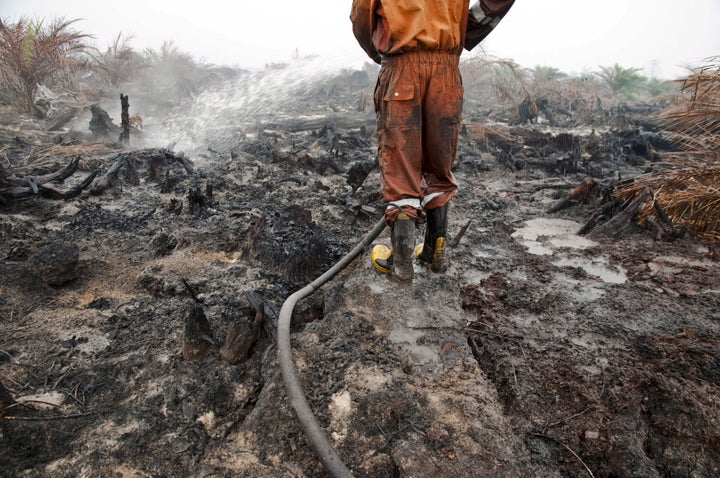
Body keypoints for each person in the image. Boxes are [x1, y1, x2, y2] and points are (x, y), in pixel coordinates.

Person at [350, 0, 515, 281]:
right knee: (440, 168)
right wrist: (464, 31)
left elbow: (361, 17)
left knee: (401, 171)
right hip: (446, 73)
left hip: (402, 69)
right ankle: (434, 253)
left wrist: (379, 50)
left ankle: (401, 264)